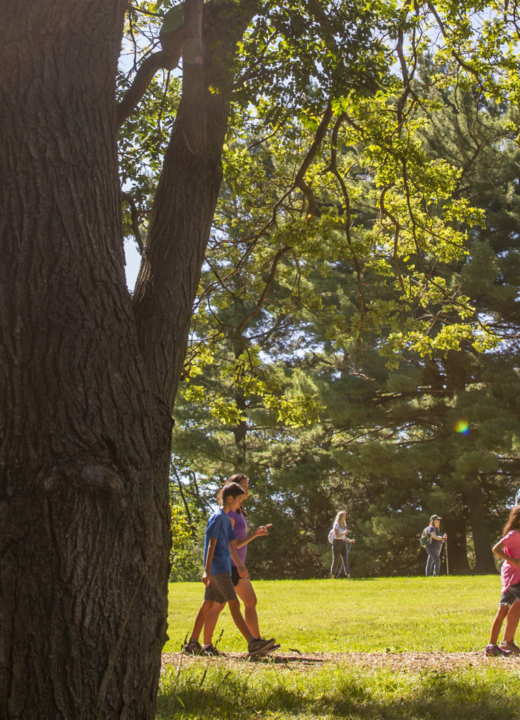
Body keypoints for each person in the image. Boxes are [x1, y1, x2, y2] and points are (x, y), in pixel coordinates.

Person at [183, 481, 276, 657]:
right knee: (234, 604)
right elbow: (212, 542)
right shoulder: (218, 517)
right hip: (218, 569)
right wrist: (207, 570)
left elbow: (235, 544)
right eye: (239, 500)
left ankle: (192, 644)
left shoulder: (225, 518)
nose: (240, 503)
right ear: (230, 498)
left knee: (208, 604)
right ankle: (252, 642)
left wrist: (255, 534)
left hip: (222, 568)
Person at [486, 505, 520, 656]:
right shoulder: (514, 534)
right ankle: (506, 642)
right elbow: (496, 549)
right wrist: (514, 561)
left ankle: (492, 646)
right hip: (513, 576)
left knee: (503, 609)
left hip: (515, 576)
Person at [329, 511, 355, 579]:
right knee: (336, 560)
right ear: (340, 517)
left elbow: (343, 538)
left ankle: (348, 577)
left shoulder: (343, 525)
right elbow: (337, 535)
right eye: (344, 516)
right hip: (336, 543)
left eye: (345, 516)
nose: (345, 517)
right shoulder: (336, 524)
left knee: (345, 559)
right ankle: (332, 576)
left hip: (343, 543)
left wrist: (350, 541)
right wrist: (343, 533)